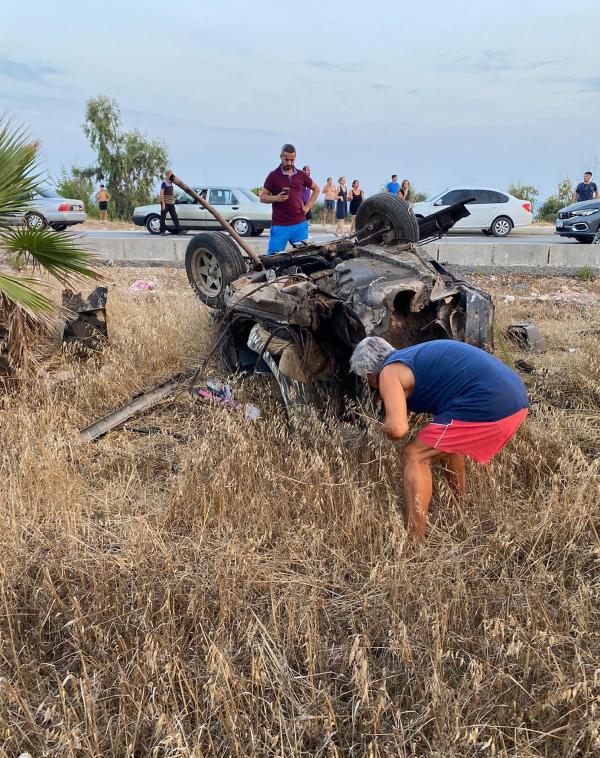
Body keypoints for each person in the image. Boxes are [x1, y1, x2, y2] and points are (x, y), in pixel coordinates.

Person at [350, 337, 529, 544]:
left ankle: (414, 544)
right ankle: (459, 510)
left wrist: (383, 427)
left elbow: (398, 429)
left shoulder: (388, 372)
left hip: (491, 401)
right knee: (447, 444)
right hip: (515, 399)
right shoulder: (410, 358)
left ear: (370, 375)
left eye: (367, 380)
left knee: (415, 454)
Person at [260, 144, 320, 254]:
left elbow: (316, 189)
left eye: (292, 160)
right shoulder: (273, 176)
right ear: (281, 157)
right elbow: (262, 197)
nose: (289, 163)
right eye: (286, 159)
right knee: (273, 259)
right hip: (280, 226)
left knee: (305, 258)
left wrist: (308, 206)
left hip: (300, 224)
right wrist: (276, 198)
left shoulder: (301, 175)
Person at [159, 169, 180, 235]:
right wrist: (163, 204)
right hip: (165, 203)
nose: (172, 175)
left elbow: (176, 180)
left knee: (174, 216)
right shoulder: (164, 183)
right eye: (171, 174)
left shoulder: (171, 182)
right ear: (168, 175)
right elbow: (161, 193)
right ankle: (162, 231)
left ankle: (179, 230)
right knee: (163, 217)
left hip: (171, 203)